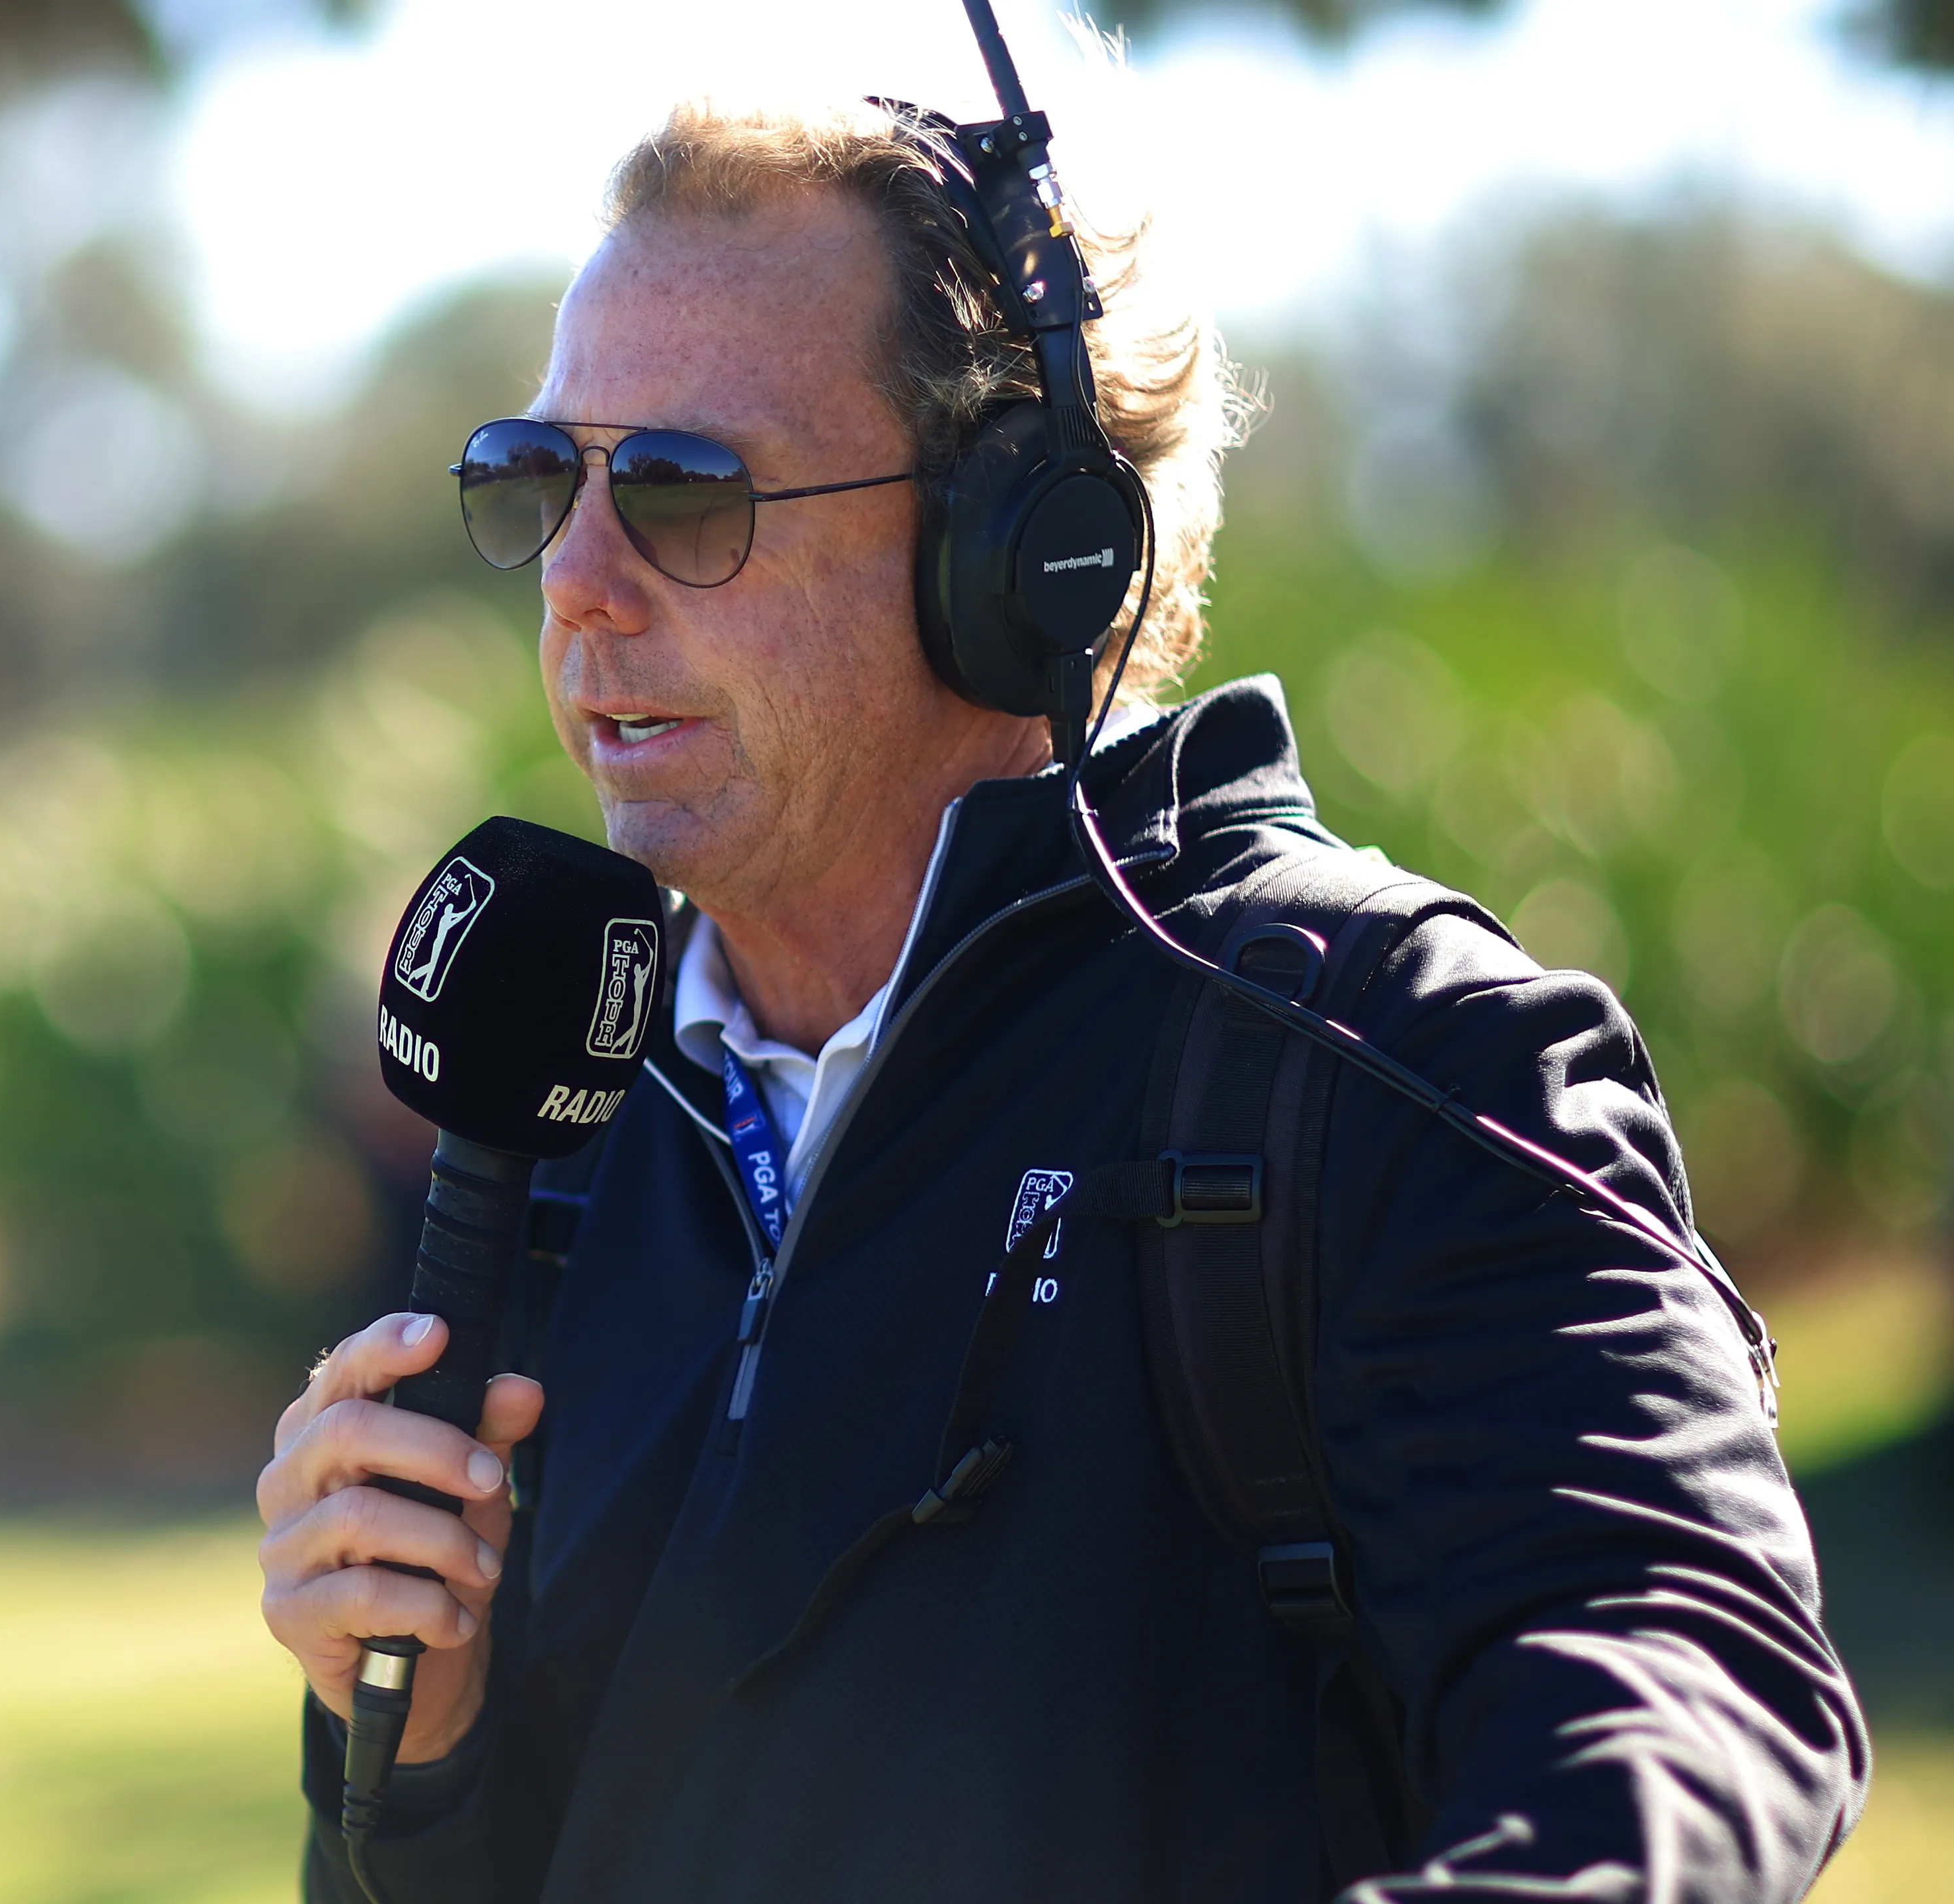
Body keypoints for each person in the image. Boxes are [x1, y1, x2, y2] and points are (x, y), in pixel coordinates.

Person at [254, 93, 1869, 1903]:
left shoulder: (1390, 1055)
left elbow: (1692, 1698)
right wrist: (423, 1744)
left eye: (688, 491)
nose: (577, 580)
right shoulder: (579, 1126)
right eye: (537, 480)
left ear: (1026, 555)